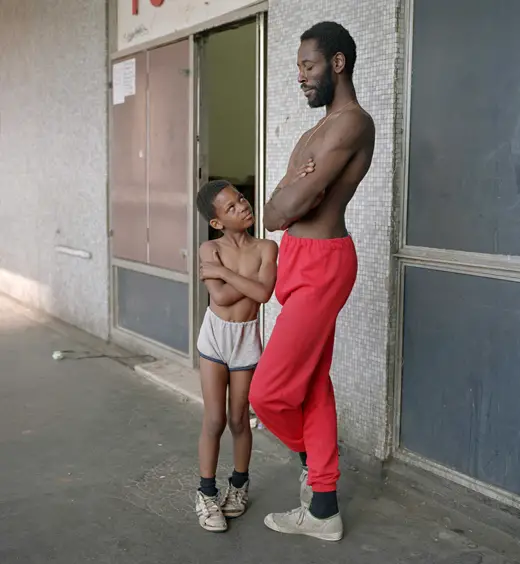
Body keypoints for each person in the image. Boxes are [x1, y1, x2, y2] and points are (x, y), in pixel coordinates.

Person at [249, 21, 375, 542]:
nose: (300, 76)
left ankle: (313, 463)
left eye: (309, 65)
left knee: (268, 392)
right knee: (313, 384)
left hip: (323, 261)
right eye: (298, 67)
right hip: (297, 259)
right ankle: (323, 508)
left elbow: (286, 207)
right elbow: (273, 203)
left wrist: (291, 195)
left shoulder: (352, 125)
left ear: (337, 64)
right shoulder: (310, 133)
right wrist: (286, 196)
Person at [195, 179, 278, 532]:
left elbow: (262, 294)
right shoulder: (208, 249)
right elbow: (222, 299)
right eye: (230, 207)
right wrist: (235, 282)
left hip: (246, 340)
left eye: (241, 199)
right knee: (214, 421)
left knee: (239, 420)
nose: (242, 207)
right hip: (215, 338)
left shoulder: (266, 247)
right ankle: (206, 493)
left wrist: (225, 274)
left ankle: (239, 486)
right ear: (217, 223)